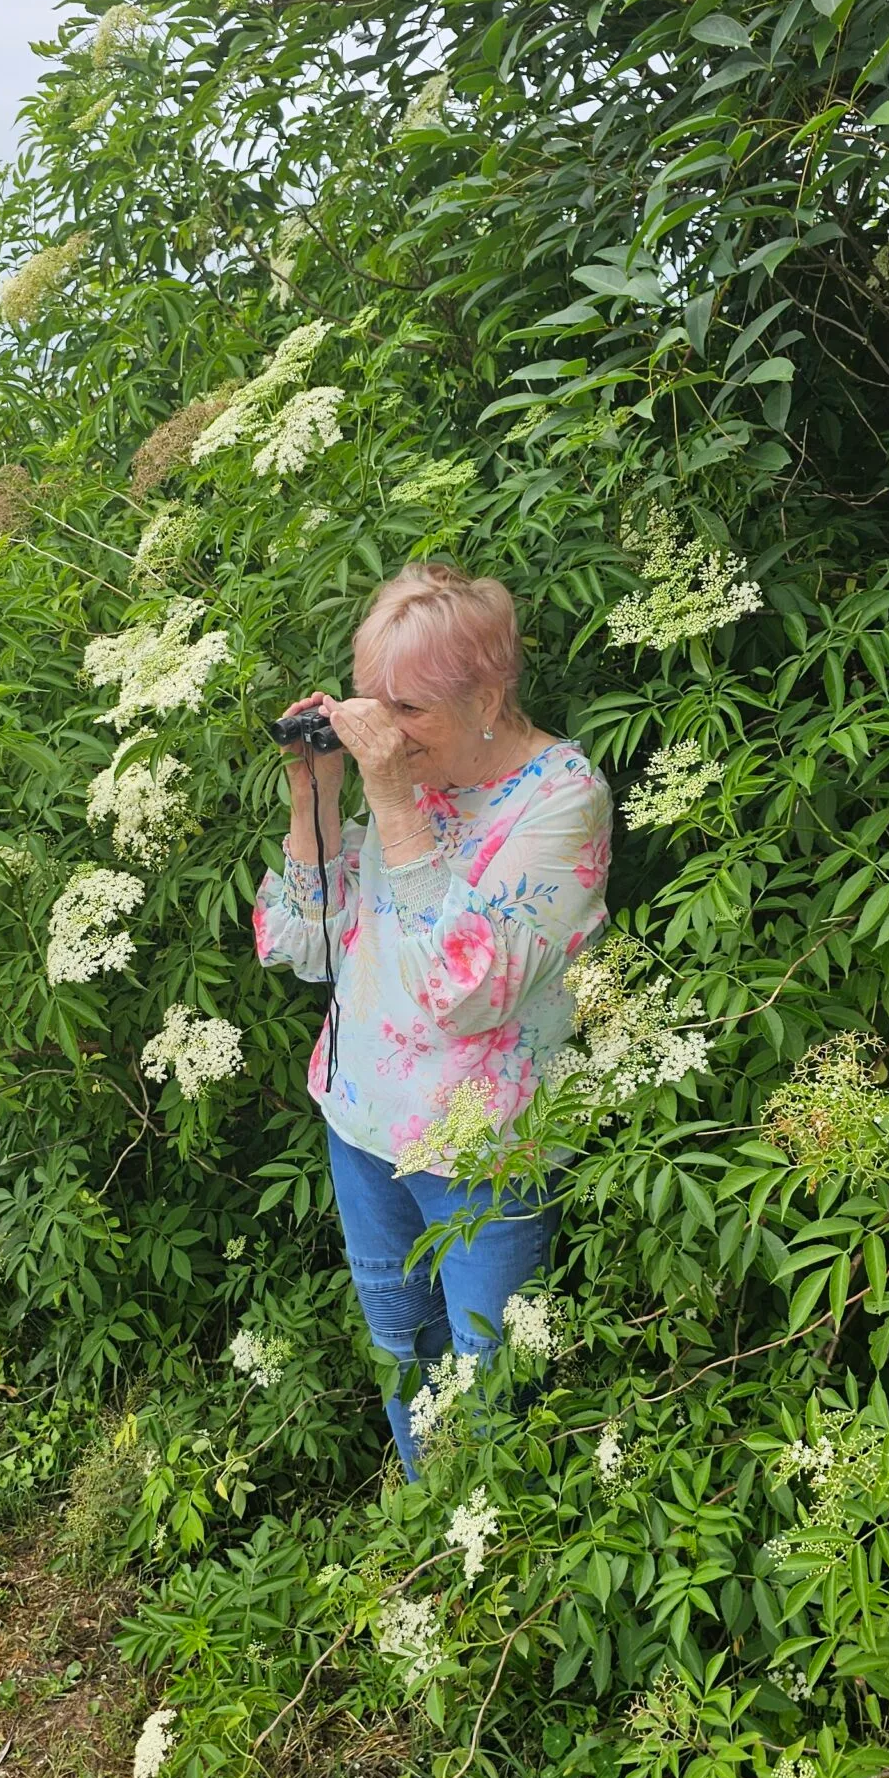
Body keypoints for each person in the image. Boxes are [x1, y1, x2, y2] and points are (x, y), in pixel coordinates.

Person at [252, 561, 612, 1475]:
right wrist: (318, 793)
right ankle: (425, 1519)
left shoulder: (562, 799)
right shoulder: (397, 780)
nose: (385, 731)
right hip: (363, 1123)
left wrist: (390, 802)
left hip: (485, 1148)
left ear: (488, 692)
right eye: (372, 703)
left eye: (408, 709)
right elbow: (302, 944)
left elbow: (465, 995)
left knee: (491, 1383)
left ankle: (500, 1564)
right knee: (403, 1347)